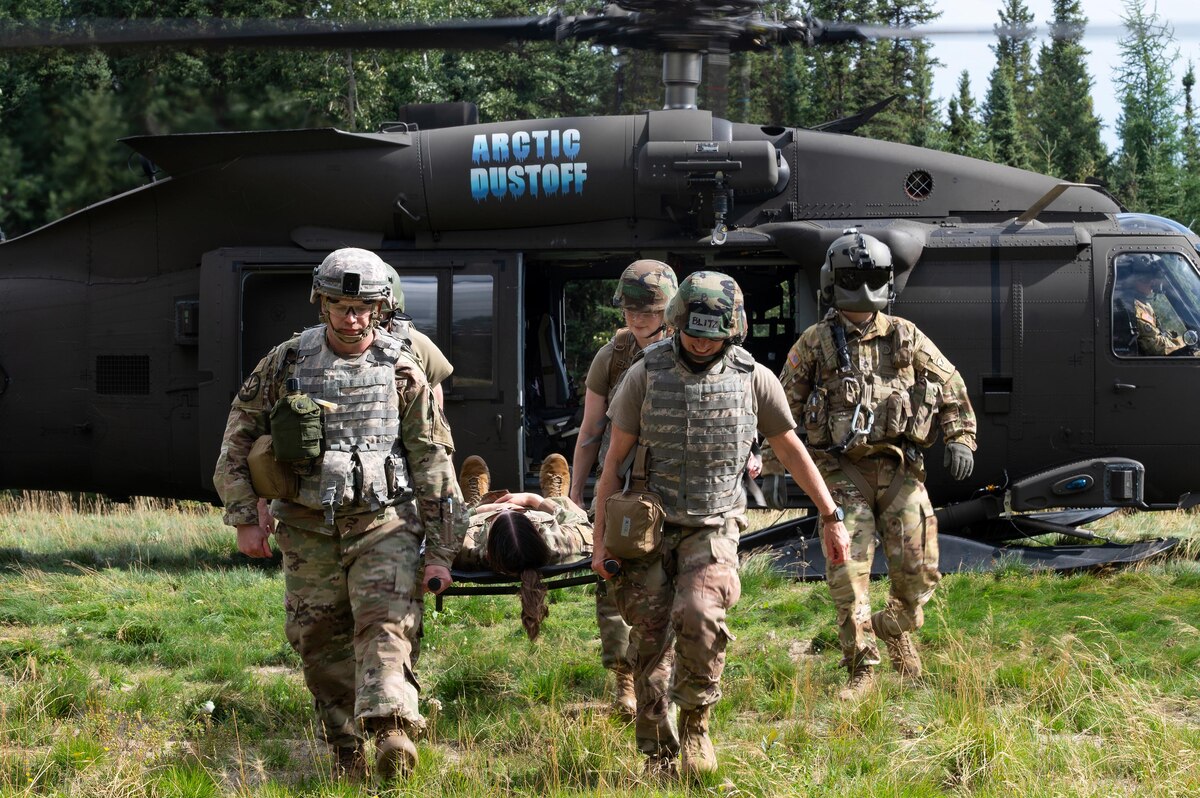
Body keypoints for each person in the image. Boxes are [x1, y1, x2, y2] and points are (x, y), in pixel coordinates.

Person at [213, 248, 464, 782]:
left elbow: (433, 459)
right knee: (318, 637)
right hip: (308, 527)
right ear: (321, 304)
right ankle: (346, 746)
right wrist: (244, 518)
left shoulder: (403, 369)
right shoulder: (286, 362)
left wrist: (442, 549)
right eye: (341, 306)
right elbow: (238, 435)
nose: (352, 319)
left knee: (387, 624)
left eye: (363, 307)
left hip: (386, 522)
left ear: (380, 307)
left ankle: (393, 728)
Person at [591, 271, 847, 778]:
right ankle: (656, 751)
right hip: (647, 524)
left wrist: (830, 514)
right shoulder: (644, 375)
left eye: (714, 334)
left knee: (702, 617)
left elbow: (790, 450)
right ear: (678, 322)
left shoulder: (755, 378)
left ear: (734, 330)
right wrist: (599, 543)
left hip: (712, 524)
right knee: (649, 637)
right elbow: (611, 465)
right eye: (693, 333)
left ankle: (696, 728)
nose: (702, 343)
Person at [762, 230, 977, 701]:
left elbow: (948, 381)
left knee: (921, 573)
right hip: (842, 473)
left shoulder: (905, 335)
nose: (862, 287)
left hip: (900, 469)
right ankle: (862, 666)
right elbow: (780, 408)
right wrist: (773, 467)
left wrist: (961, 436)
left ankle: (895, 626)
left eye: (871, 277)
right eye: (852, 277)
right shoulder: (816, 342)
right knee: (847, 572)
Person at [570, 259, 678, 718]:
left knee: (678, 586)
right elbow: (590, 431)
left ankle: (672, 675)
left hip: (678, 488)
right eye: (632, 310)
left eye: (651, 311)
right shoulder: (612, 356)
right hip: (626, 489)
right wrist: (575, 496)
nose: (639, 319)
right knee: (614, 582)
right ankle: (625, 678)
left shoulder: (695, 349)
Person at [454, 453, 592, 641]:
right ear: (535, 533)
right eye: (520, 513)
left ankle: (475, 500)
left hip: (476, 519)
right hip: (545, 524)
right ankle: (557, 497)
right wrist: (533, 500)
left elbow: (440, 532)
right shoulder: (555, 542)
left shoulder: (468, 547)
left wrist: (479, 510)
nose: (508, 507)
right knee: (565, 506)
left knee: (459, 512)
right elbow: (584, 524)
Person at [1115, 253, 1195, 356]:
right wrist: (1185, 349)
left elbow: (1158, 335)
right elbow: (1155, 347)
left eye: (1151, 278)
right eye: (1146, 278)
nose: (1152, 283)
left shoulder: (1142, 304)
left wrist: (1181, 341)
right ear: (1134, 280)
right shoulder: (1133, 308)